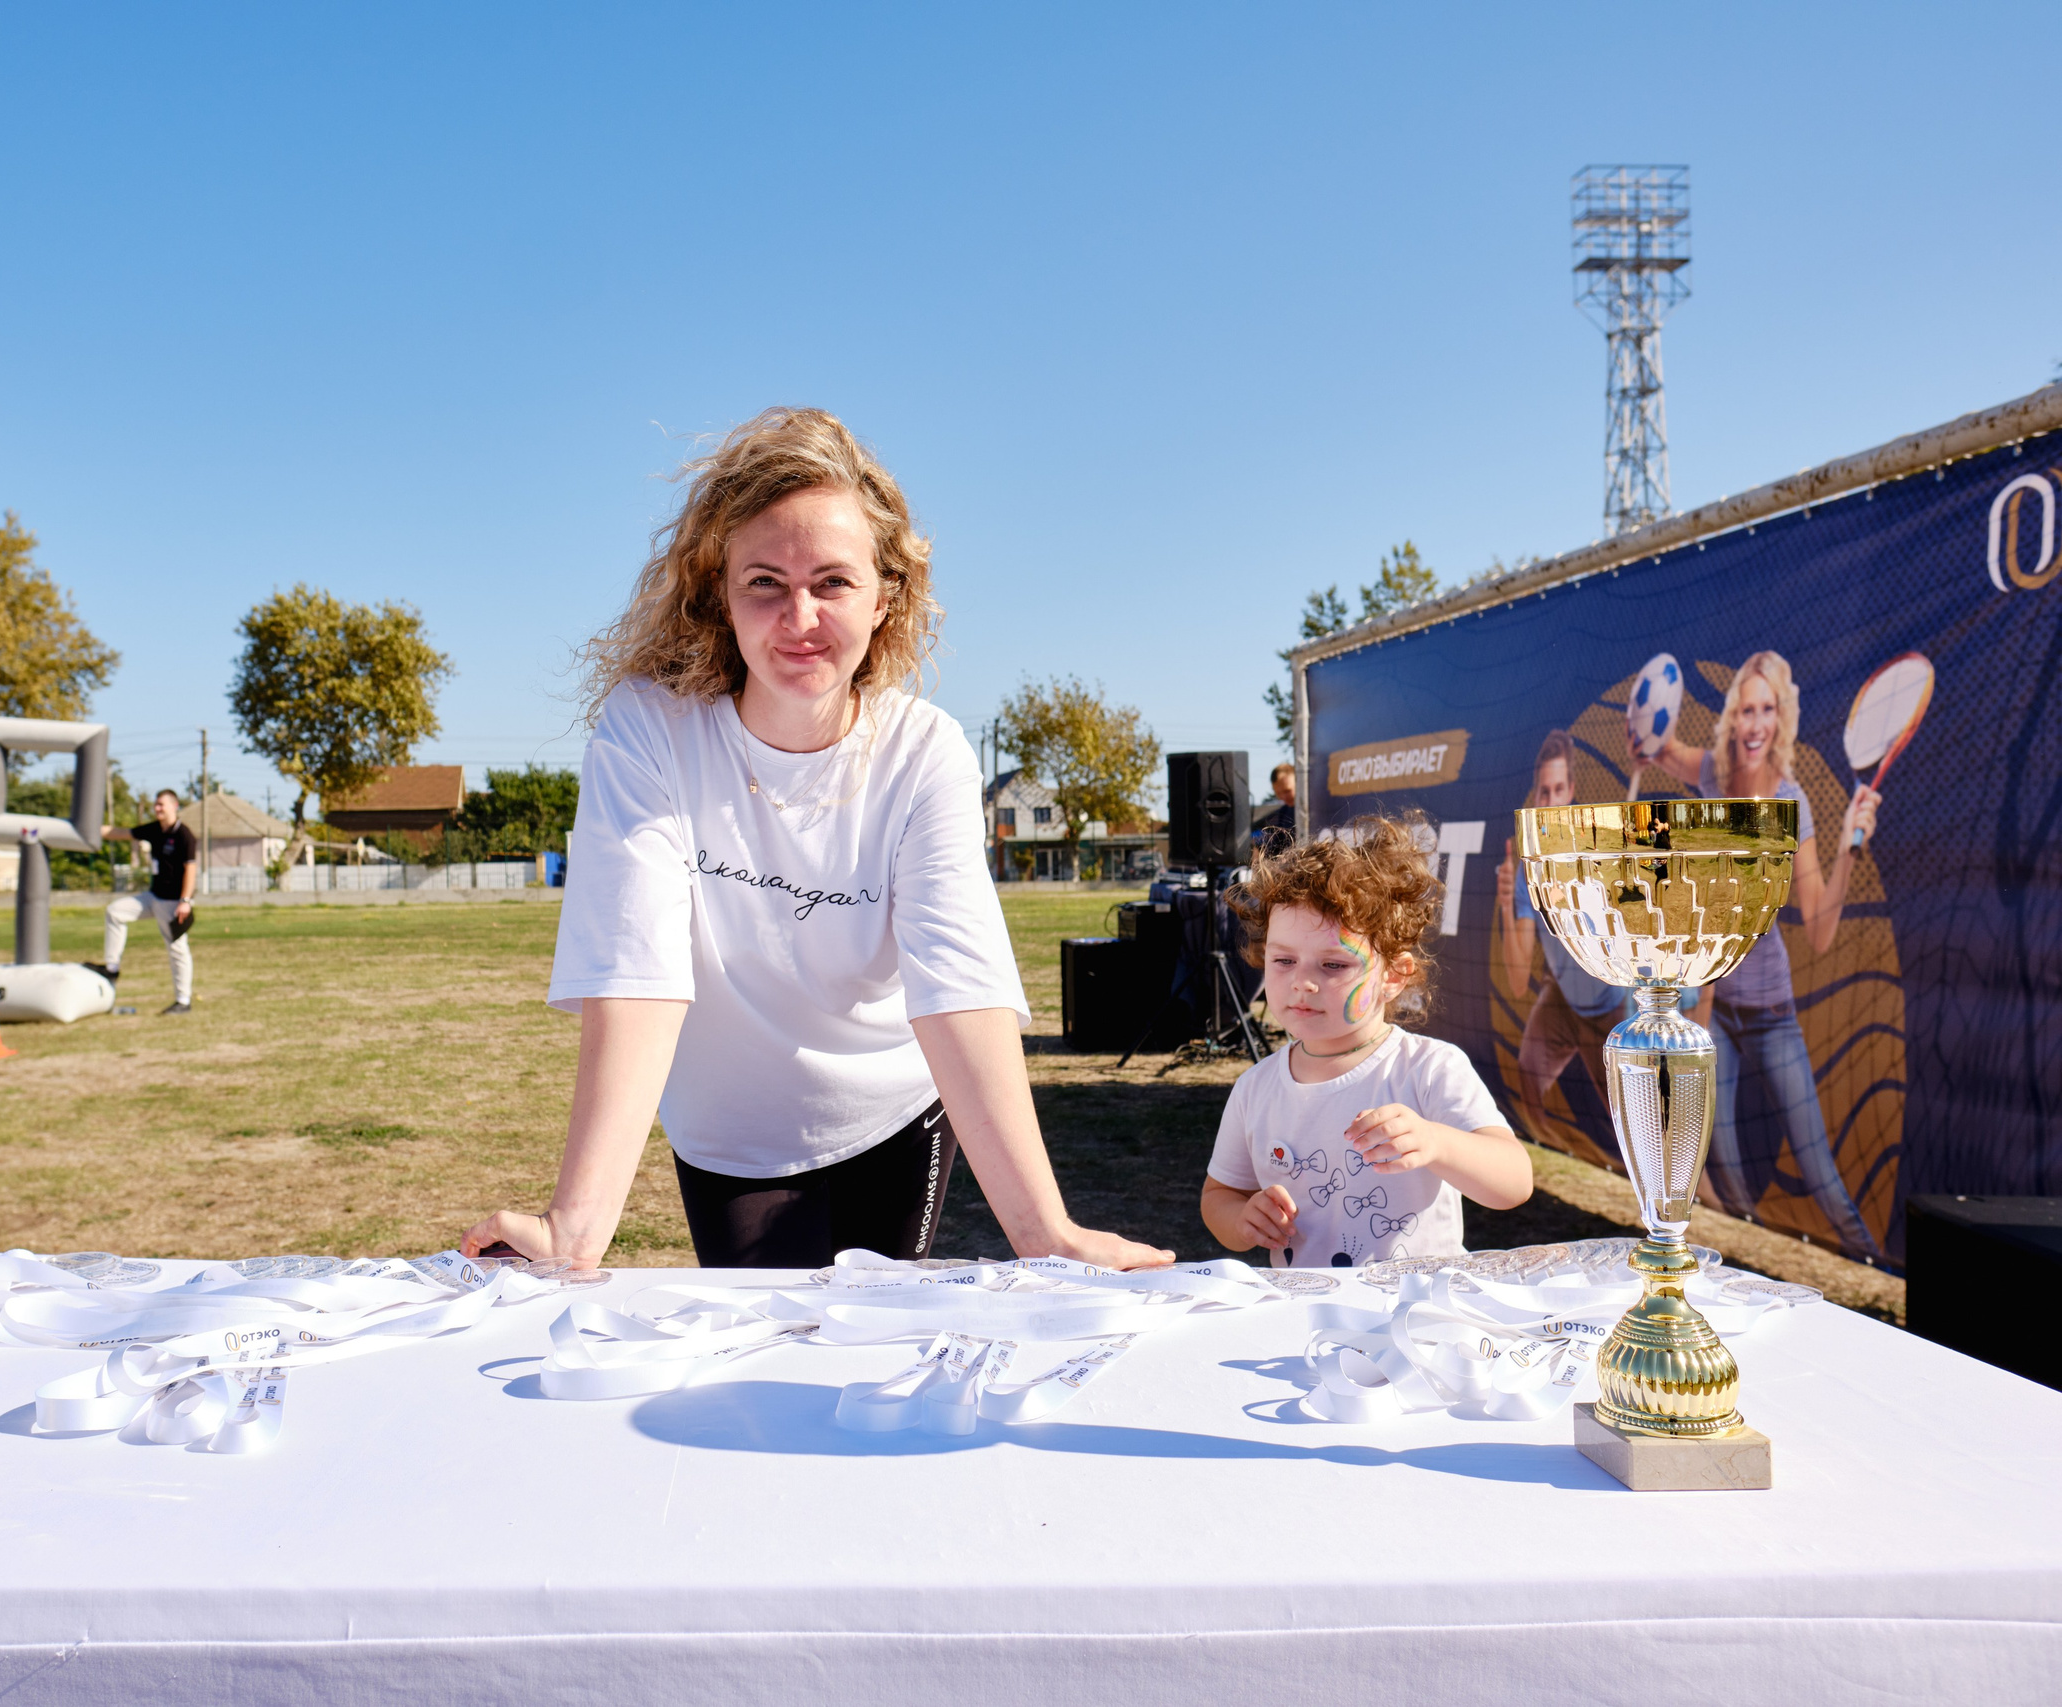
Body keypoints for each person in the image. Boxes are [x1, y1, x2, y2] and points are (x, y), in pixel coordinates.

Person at [462, 407, 1171, 1272]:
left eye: (832, 581)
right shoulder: (649, 730)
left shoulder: (925, 750)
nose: (799, 614)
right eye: (764, 580)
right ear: (717, 594)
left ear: (885, 598)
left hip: (893, 1112)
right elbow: (634, 969)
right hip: (729, 1137)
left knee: (870, 1359)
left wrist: (1045, 1236)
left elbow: (961, 986)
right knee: (773, 1376)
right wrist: (576, 1227)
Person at [1634, 649, 1885, 1260]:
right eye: (1746, 710)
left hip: (1772, 1014)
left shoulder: (1791, 804)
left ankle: (1876, 1267)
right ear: (1733, 717)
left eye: (1766, 710)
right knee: (1720, 1164)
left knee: (1820, 1171)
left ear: (1781, 718)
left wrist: (1853, 845)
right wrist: (1644, 731)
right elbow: (1660, 749)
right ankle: (1741, 1268)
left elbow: (1821, 930)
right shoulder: (1715, 774)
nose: (1754, 724)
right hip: (1715, 1015)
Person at [1201, 816, 1529, 1269]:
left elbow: (1513, 1181)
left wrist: (1437, 1142)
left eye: (1333, 965)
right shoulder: (1255, 1088)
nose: (1303, 983)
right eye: (1284, 960)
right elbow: (1220, 1195)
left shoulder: (1428, 1069)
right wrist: (1242, 1220)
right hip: (1304, 1321)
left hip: (1417, 1320)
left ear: (1394, 975)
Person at [1491, 731, 1626, 1131]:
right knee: (1528, 1080)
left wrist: (1570, 902)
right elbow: (1517, 981)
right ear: (1534, 795)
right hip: (1563, 998)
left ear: (1573, 792)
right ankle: (1539, 1154)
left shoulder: (1598, 847)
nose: (1550, 802)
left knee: (1633, 1126)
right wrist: (1504, 907)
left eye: (1559, 789)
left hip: (1613, 1005)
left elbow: (1616, 941)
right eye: (1543, 792)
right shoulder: (1527, 864)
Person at [93, 789, 196, 1016]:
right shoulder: (154, 830)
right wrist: (88, 828)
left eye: (161, 805)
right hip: (153, 897)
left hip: (173, 903)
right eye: (156, 805)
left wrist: (185, 900)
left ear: (174, 805)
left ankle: (183, 1000)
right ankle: (112, 967)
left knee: (177, 949)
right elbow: (120, 833)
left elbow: (191, 869)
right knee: (115, 911)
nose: (157, 808)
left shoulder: (184, 835)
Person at [1256, 762, 1298, 855]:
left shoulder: (1317, 810)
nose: (1283, 797)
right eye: (1278, 793)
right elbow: (1272, 849)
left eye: (1287, 791)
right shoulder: (1282, 815)